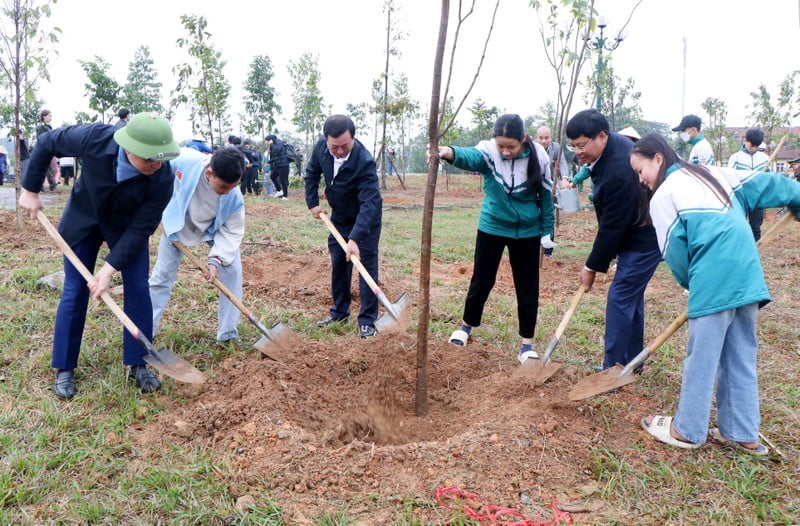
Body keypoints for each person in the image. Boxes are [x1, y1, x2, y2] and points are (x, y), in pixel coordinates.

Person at [631, 133, 800, 453]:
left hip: (711, 275)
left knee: (703, 357)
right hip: (747, 273)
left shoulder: (663, 196)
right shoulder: (717, 173)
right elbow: (768, 185)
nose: (641, 180)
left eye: (641, 171)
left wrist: (694, 287)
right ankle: (743, 433)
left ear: (658, 158)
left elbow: (677, 255)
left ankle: (687, 430)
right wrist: (797, 197)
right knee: (740, 354)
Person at [18, 112, 180, 399]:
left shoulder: (163, 177)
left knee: (139, 288)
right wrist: (30, 189)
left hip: (126, 228)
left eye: (161, 159)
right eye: (150, 160)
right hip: (84, 220)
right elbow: (47, 141)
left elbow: (142, 227)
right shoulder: (94, 138)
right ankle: (65, 367)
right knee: (75, 289)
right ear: (130, 149)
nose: (157, 165)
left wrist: (108, 270)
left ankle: (139, 363)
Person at [440, 114, 555, 363]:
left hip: (526, 231)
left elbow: (546, 197)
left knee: (527, 287)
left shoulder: (540, 156)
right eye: (501, 145)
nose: (505, 151)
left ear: (523, 140)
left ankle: (527, 345)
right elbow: (469, 156)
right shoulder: (489, 151)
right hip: (492, 225)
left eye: (511, 146)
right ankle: (465, 327)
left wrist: (548, 231)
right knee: (482, 280)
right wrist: (447, 151)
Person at [565, 109, 661, 371]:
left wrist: (591, 267)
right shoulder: (610, 150)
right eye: (572, 146)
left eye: (582, 145)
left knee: (620, 296)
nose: (577, 152)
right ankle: (631, 362)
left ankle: (613, 369)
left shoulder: (619, 168)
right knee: (631, 295)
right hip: (635, 229)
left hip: (645, 237)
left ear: (602, 136)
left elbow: (612, 226)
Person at [150, 147, 245, 343]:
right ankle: (145, 329)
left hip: (213, 227)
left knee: (233, 272)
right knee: (162, 276)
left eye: (233, 186)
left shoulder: (233, 196)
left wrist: (215, 261)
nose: (228, 191)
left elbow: (232, 230)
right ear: (209, 173)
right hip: (176, 224)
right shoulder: (183, 161)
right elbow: (154, 173)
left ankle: (228, 334)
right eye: (224, 186)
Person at [305, 114, 383, 339]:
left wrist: (356, 238)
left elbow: (371, 202)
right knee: (339, 263)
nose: (339, 151)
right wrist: (312, 204)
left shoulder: (364, 161)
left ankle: (367, 320)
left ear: (354, 140)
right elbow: (311, 174)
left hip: (365, 221)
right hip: (338, 217)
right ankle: (339, 312)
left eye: (344, 146)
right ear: (326, 140)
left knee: (365, 267)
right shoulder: (321, 148)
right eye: (334, 147)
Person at [728, 128, 770, 240]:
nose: (753, 148)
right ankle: (739, 250)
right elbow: (730, 179)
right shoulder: (735, 158)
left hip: (757, 199)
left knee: (756, 228)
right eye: (751, 145)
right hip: (741, 198)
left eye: (756, 146)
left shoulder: (765, 159)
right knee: (738, 226)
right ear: (745, 141)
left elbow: (769, 179)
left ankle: (755, 252)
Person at [36, 109, 59, 192]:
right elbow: (42, 139)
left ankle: (46, 186)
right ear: (44, 117)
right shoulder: (41, 127)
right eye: (49, 115)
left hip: (49, 149)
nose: (51, 117)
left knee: (48, 169)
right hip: (43, 150)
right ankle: (51, 186)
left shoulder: (48, 127)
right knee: (45, 169)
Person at [266, 134, 290, 199]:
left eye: (267, 141)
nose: (266, 143)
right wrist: (269, 162)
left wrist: (272, 144)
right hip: (277, 165)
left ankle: (285, 196)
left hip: (283, 164)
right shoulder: (272, 145)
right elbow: (275, 157)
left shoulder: (279, 142)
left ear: (271, 140)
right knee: (272, 176)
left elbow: (278, 150)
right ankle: (279, 191)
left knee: (283, 180)